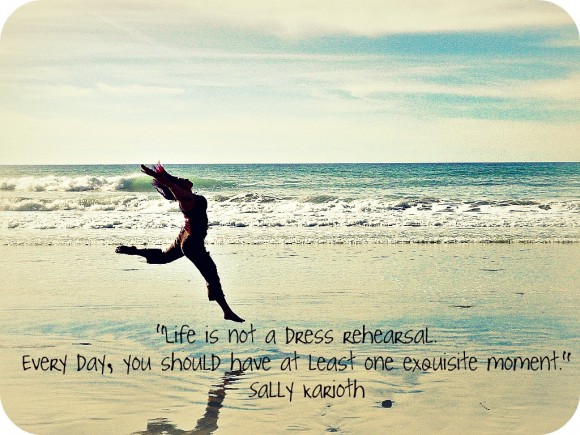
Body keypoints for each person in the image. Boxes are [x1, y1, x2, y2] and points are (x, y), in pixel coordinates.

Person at [116, 163, 244, 323]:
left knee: (164, 257)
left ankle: (135, 251)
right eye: (181, 180)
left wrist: (163, 174)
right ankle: (227, 312)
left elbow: (172, 181)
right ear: (180, 188)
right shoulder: (185, 199)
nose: (185, 178)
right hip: (192, 243)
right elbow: (171, 185)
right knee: (211, 274)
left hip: (185, 236)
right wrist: (154, 175)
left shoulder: (188, 196)